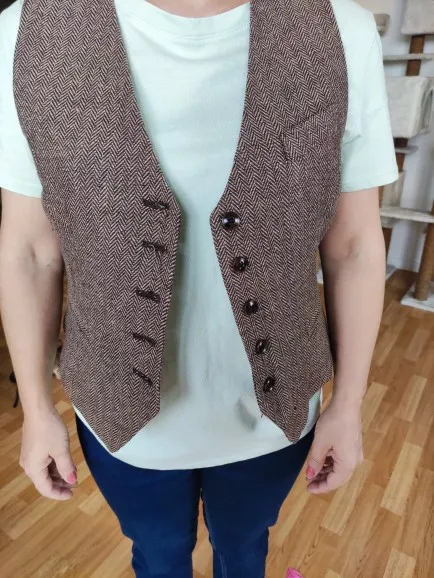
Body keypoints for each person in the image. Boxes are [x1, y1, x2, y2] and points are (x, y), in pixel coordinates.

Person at [0, 0, 398, 577]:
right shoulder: (27, 33)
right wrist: (37, 410)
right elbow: (29, 251)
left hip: (275, 413)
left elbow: (355, 245)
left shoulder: (342, 29)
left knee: (245, 550)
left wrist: (349, 405)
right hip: (117, 409)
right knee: (157, 555)